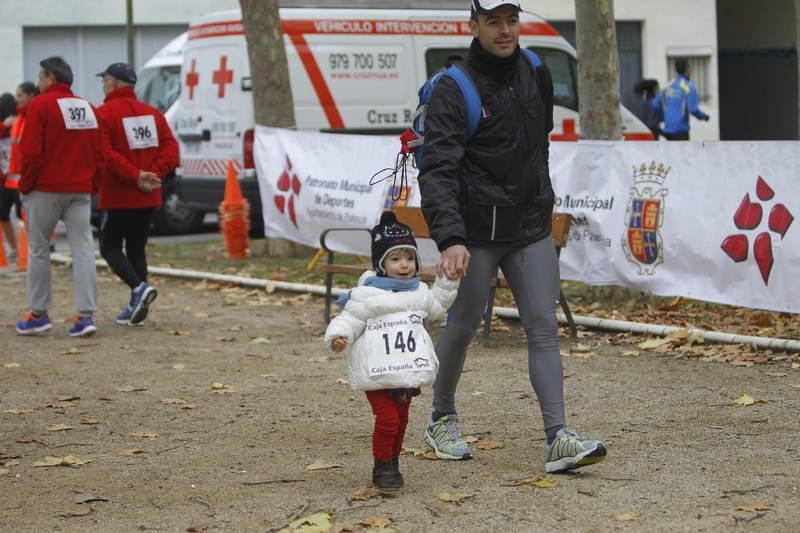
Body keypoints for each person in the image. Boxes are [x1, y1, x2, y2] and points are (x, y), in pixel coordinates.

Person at [417, 0, 607, 473]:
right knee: (461, 328)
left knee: (543, 327)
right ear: (474, 25)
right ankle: (440, 418)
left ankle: (557, 438)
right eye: (494, 21)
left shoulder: (536, 70)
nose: (505, 30)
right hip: (475, 234)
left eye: (511, 20)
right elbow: (438, 169)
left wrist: (540, 203)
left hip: (528, 227)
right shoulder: (453, 87)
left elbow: (536, 144)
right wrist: (450, 238)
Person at [324, 211, 458, 490]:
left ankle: (393, 461)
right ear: (381, 264)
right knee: (387, 419)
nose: (404, 265)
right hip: (377, 370)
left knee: (402, 419)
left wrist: (448, 281)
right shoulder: (366, 295)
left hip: (405, 369)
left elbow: (437, 305)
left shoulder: (419, 292)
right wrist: (339, 335)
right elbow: (349, 319)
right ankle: (382, 468)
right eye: (395, 259)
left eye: (409, 258)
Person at [16, 57, 105, 337]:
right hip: (79, 190)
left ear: (50, 78)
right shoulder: (88, 108)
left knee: (39, 248)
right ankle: (85, 315)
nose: (38, 83)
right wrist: (92, 184)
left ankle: (39, 314)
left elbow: (30, 153)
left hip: (45, 188)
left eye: (40, 78)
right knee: (83, 249)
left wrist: (26, 185)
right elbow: (100, 153)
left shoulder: (39, 106)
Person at [96, 63, 178, 326]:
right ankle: (137, 306)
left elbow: (106, 155)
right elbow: (171, 149)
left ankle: (138, 288)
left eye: (104, 80)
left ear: (114, 82)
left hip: (119, 195)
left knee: (109, 247)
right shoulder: (152, 114)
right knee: (136, 248)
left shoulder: (104, 114)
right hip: (148, 196)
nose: (103, 85)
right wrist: (153, 174)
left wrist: (135, 176)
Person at [652, 58, 710, 140]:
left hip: (667, 131)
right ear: (687, 68)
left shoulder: (667, 86)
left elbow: (655, 104)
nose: (691, 70)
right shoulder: (688, 87)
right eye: (690, 67)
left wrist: (664, 117)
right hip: (681, 132)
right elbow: (693, 109)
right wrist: (704, 117)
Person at [0, 92, 20, 258]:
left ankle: (24, 249)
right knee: (3, 213)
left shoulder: (20, 121)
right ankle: (14, 249)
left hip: (19, 177)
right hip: (4, 178)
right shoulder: (3, 125)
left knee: (24, 214)